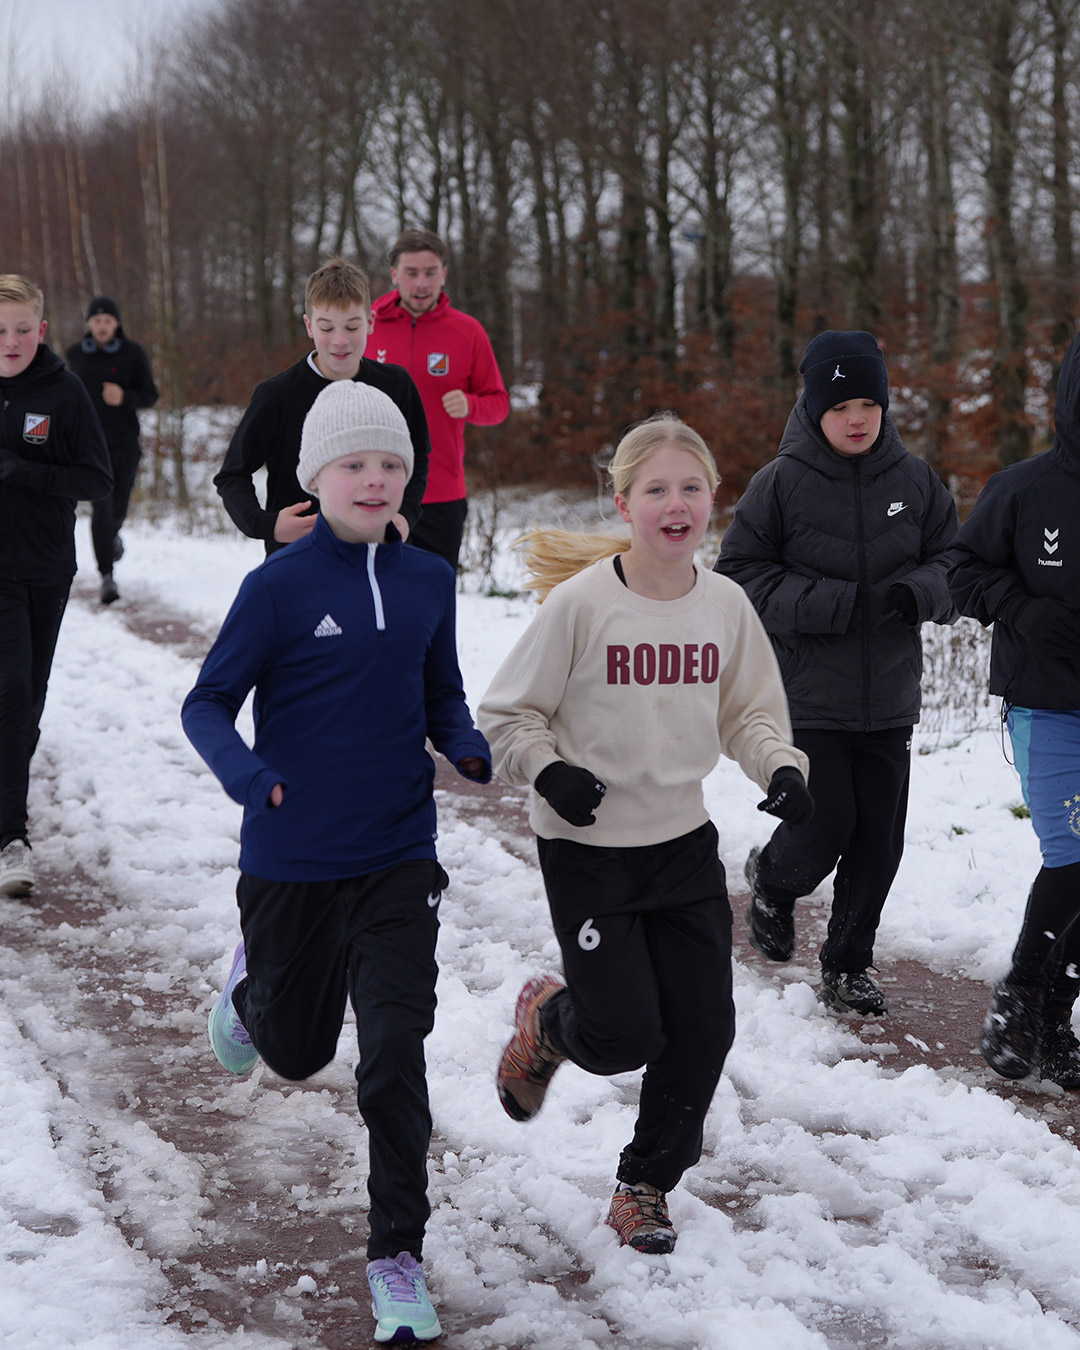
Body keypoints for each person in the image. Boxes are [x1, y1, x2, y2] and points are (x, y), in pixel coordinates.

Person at [184, 379, 490, 1342]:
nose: (374, 478)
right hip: (293, 859)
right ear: (315, 476)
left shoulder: (427, 579)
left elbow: (441, 691)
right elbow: (206, 703)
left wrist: (463, 741)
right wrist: (249, 777)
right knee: (299, 1051)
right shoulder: (277, 587)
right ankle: (252, 996)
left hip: (398, 853)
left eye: (391, 463)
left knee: (395, 1052)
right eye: (354, 463)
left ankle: (398, 1257)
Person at [477, 413, 811, 1254]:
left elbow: (750, 713)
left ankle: (643, 1187)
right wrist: (549, 770)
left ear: (713, 499)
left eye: (691, 488)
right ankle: (550, 1022)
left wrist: (779, 768)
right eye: (656, 489)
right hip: (587, 852)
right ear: (624, 504)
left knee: (703, 1029)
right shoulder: (582, 606)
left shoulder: (724, 606)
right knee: (623, 1035)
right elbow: (508, 715)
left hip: (682, 846)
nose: (676, 503)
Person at [715, 331, 958, 1017]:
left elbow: (956, 563)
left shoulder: (915, 481)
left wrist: (921, 593)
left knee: (879, 842)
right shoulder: (780, 483)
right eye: (842, 406)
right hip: (806, 695)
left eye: (869, 405)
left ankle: (848, 965)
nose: (857, 419)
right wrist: (833, 604)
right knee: (826, 827)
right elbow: (739, 577)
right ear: (815, 408)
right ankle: (773, 878)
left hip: (890, 695)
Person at [947, 330, 1080, 1090]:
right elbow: (961, 570)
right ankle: (1023, 992)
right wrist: (1023, 609)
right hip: (1049, 707)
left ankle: (1054, 1018)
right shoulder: (1024, 489)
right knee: (1075, 857)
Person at [0, 274, 112, 896]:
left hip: (46, 567)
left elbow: (97, 479)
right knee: (12, 688)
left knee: (29, 700)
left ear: (40, 330)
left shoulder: (64, 392)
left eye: (22, 330)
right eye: (0, 331)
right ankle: (10, 839)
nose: (11, 341)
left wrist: (23, 471)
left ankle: (6, 787)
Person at [214, 257, 430, 555]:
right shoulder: (277, 394)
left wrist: (405, 514)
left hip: (376, 552)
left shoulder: (396, 384)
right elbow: (232, 475)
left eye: (352, 327)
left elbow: (418, 458)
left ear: (370, 322)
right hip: (298, 556)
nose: (340, 341)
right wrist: (267, 525)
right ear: (309, 326)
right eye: (327, 328)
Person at [368, 229, 509, 571]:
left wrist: (471, 405)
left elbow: (499, 404)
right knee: (373, 596)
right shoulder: (367, 325)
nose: (421, 283)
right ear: (394, 274)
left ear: (443, 275)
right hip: (374, 490)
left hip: (441, 495)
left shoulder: (468, 331)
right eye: (411, 273)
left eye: (430, 273)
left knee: (435, 597)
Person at [65, 295, 158, 604]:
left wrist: (125, 397)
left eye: (107, 320)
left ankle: (113, 537)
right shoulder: (75, 355)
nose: (102, 325)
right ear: (89, 324)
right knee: (101, 510)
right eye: (97, 320)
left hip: (125, 445)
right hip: (89, 448)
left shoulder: (133, 354)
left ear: (116, 324)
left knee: (118, 509)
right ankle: (107, 575)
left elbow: (151, 395)